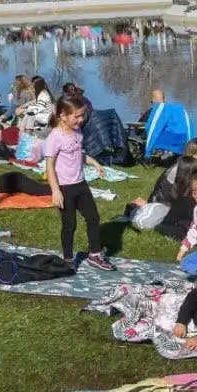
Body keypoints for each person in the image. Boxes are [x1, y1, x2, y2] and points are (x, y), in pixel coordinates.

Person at [45, 95, 114, 271]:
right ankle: (68, 260)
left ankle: (95, 254)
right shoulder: (55, 137)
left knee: (93, 218)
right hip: (65, 188)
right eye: (76, 116)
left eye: (82, 115)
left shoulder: (77, 132)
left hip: (81, 184)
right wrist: (55, 191)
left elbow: (78, 153)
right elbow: (50, 166)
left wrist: (94, 162)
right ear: (63, 115)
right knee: (70, 225)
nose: (81, 119)